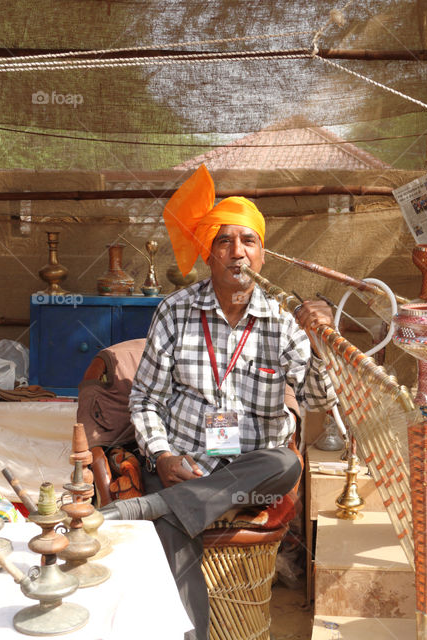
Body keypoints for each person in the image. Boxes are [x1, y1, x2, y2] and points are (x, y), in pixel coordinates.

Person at [99, 165, 337, 639]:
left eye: (248, 241)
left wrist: (320, 345)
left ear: (262, 255)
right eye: (225, 241)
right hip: (182, 464)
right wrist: (163, 457)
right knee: (174, 528)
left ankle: (159, 506)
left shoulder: (283, 321)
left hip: (253, 474)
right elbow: (145, 400)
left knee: (285, 463)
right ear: (209, 253)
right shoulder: (176, 311)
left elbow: (317, 399)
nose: (237, 252)